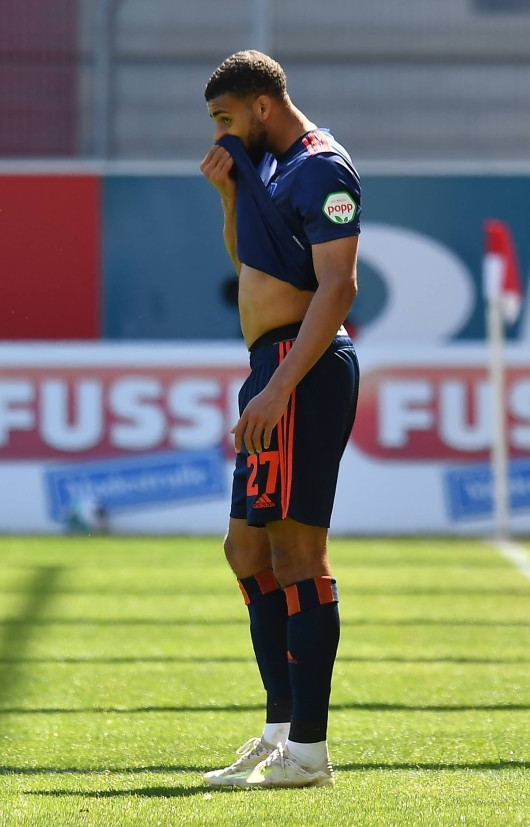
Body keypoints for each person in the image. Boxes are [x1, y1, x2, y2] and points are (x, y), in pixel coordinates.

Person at [197, 50, 361, 789]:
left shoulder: (324, 169)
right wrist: (232, 197)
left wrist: (281, 385)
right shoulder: (268, 171)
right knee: (246, 552)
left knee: (298, 555)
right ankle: (277, 732)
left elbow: (339, 287)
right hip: (270, 369)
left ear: (262, 106)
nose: (221, 133)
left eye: (226, 118)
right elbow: (252, 263)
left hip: (301, 369)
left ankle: (311, 750)